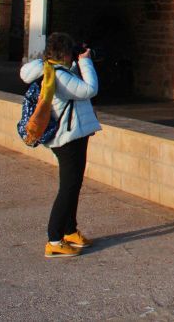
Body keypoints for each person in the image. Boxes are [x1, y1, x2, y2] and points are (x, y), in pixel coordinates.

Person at [20, 32, 101, 258]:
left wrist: (76, 63)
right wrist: (85, 61)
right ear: (65, 54)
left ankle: (70, 231)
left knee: (73, 185)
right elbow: (89, 89)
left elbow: (71, 85)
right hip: (68, 138)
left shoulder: (50, 70)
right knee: (68, 187)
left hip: (70, 134)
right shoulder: (58, 74)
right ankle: (54, 239)